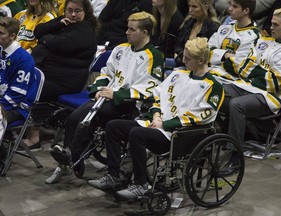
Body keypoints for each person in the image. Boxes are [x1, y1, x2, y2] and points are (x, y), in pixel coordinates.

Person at [88, 37, 224, 199]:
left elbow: (201, 116)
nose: (183, 60)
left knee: (137, 134)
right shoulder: (178, 74)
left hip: (179, 135)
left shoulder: (213, 86)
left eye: (188, 58)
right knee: (113, 126)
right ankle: (113, 176)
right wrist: (157, 114)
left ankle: (141, 184)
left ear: (201, 60)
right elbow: (158, 96)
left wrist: (165, 124)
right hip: (156, 123)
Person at [45, 11, 164, 184]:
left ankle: (71, 154)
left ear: (144, 33)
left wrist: (116, 94)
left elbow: (151, 88)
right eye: (127, 28)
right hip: (106, 99)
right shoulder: (120, 49)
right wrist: (99, 89)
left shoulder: (154, 56)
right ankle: (67, 161)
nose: (127, 32)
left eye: (132, 29)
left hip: (130, 104)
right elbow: (106, 73)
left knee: (92, 114)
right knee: (74, 118)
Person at [21, 0, 99, 149]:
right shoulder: (65, 22)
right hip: (48, 74)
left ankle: (34, 137)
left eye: (78, 11)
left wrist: (44, 40)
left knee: (32, 89)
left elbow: (57, 44)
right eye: (70, 10)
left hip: (66, 82)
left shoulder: (84, 31)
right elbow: (38, 31)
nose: (73, 14)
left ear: (85, 12)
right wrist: (57, 25)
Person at [222, 8, 281, 150]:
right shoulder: (263, 41)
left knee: (236, 105)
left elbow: (275, 83)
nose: (271, 28)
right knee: (214, 90)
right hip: (248, 86)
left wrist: (253, 72)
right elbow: (243, 65)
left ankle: (235, 154)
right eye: (271, 23)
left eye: (276, 25)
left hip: (272, 97)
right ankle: (220, 136)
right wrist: (261, 73)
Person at [0, 17, 38, 143]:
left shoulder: (24, 59)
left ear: (12, 36)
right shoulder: (1, 50)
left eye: (1, 33)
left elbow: (17, 95)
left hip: (16, 107)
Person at [208, 0, 260, 83]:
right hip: (209, 72)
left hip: (229, 80)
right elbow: (207, 50)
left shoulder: (253, 36)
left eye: (235, 6)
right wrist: (225, 55)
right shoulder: (225, 27)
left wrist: (216, 56)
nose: (230, 9)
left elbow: (238, 66)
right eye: (230, 5)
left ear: (246, 11)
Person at [174, 0, 220, 66]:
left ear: (205, 8)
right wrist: (182, 58)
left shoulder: (213, 28)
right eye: (189, 6)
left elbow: (205, 54)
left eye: (194, 7)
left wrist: (182, 58)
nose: (190, 10)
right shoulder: (188, 22)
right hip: (182, 62)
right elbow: (178, 46)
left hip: (199, 66)